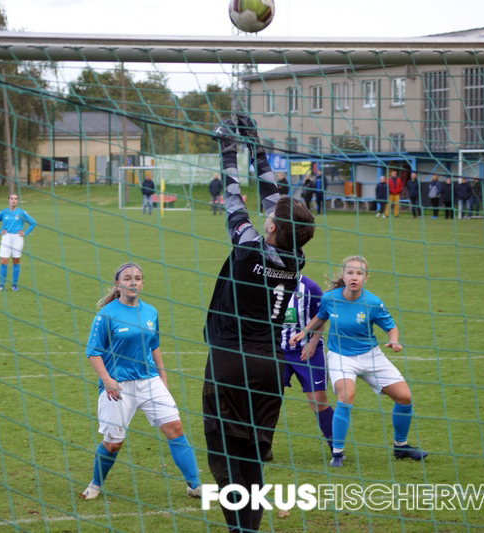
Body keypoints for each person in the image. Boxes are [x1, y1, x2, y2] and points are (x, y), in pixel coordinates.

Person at [203, 115, 315, 533]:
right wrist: (257, 147)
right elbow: (276, 204)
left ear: (271, 227)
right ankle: (249, 528)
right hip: (269, 366)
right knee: (251, 457)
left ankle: (239, 528)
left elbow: (233, 196)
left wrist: (229, 148)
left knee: (225, 455)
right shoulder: (295, 257)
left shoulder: (249, 248)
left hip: (230, 362)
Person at [290, 256, 427, 467]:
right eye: (350, 273)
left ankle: (401, 446)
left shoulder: (373, 302)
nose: (354, 277)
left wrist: (394, 341)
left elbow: (391, 326)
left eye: (359, 274)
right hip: (340, 357)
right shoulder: (330, 298)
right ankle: (337, 453)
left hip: (371, 356)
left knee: (405, 397)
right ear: (343, 276)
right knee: (346, 395)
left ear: (366, 278)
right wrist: (304, 332)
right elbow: (321, 316)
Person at [80, 262, 201, 501]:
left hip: (149, 381)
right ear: (118, 284)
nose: (132, 282)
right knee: (113, 444)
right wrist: (107, 380)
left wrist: (162, 376)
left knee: (175, 428)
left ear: (142, 283)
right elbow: (93, 352)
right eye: (127, 278)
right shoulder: (106, 315)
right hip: (118, 386)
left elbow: (154, 346)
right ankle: (95, 484)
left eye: (137, 278)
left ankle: (195, 485)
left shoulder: (150, 312)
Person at [274, 274, 333, 460]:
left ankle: (336, 447)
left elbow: (322, 315)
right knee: (269, 399)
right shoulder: (267, 282)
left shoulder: (310, 287)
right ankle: (260, 447)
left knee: (317, 398)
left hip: (307, 351)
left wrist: (313, 342)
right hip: (276, 351)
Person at [0, 193, 37, 292]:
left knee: (16, 261)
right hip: (6, 238)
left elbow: (33, 223)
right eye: (12, 198)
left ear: (18, 201)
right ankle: (1, 285)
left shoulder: (21, 213)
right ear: (9, 200)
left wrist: (25, 233)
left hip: (17, 238)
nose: (13, 200)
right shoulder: (3, 212)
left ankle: (14, 285)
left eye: (15, 199)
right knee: (4, 261)